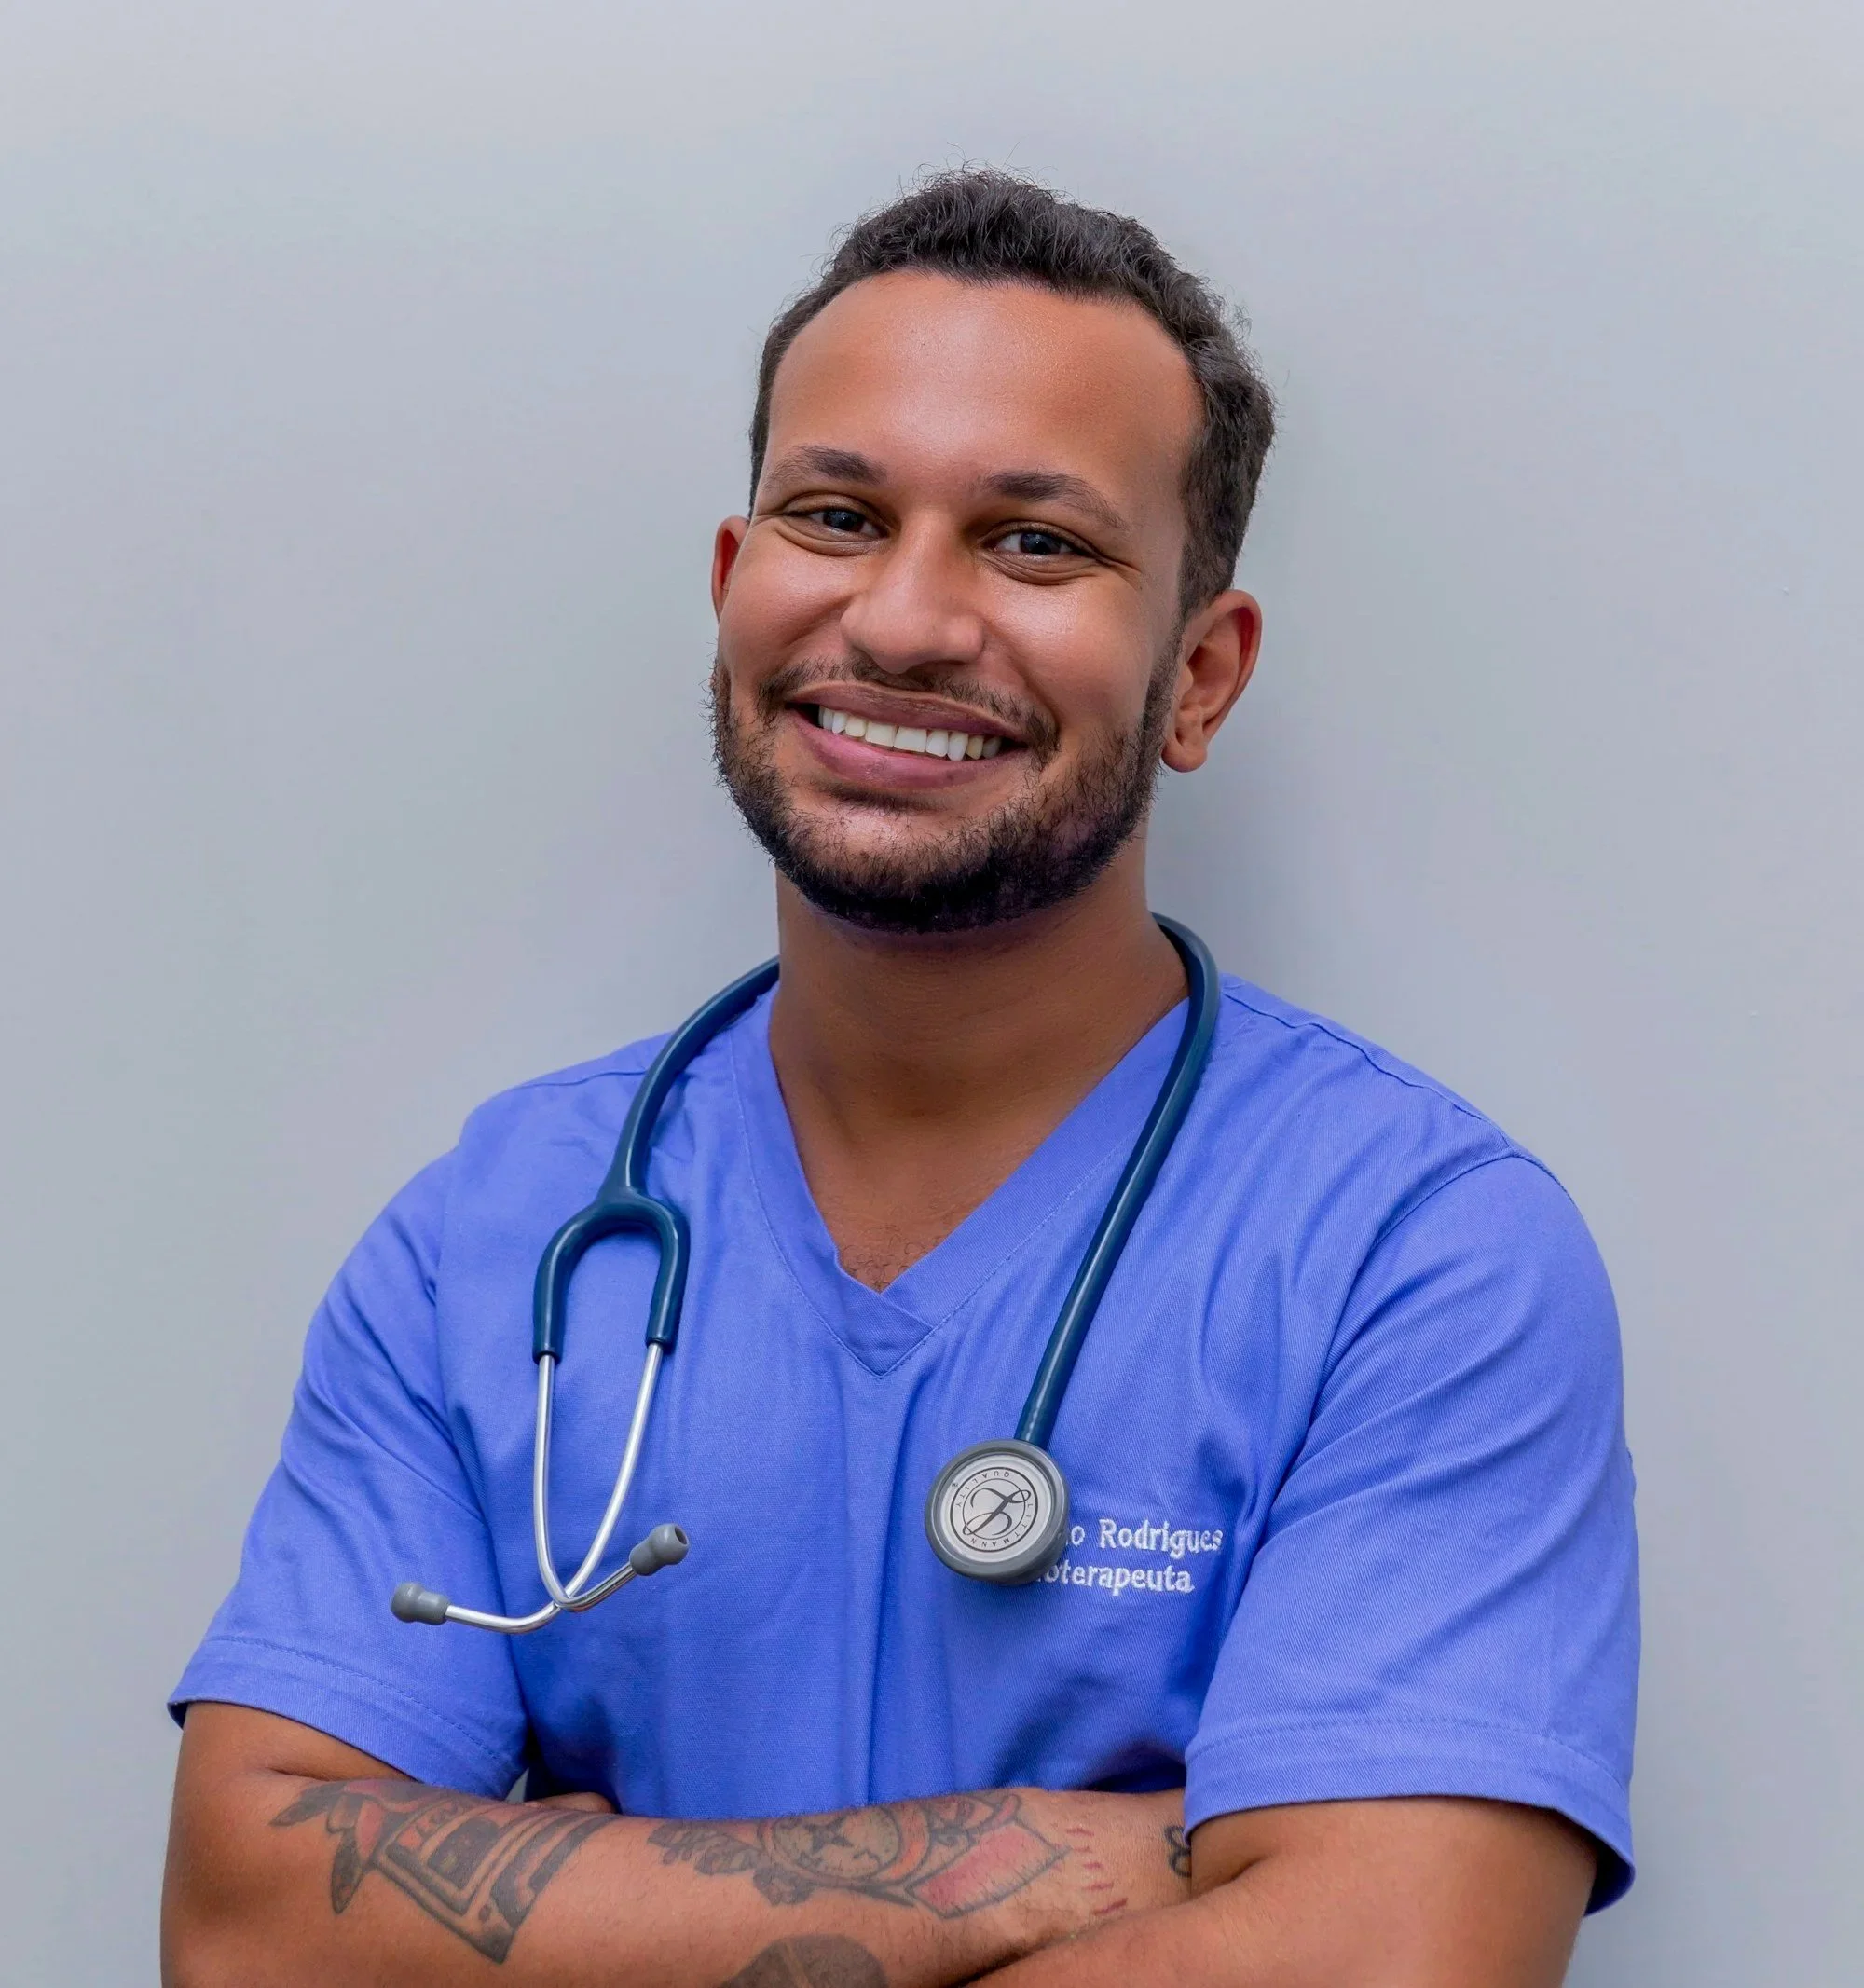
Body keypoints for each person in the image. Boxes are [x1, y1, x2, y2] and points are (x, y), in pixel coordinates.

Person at [162, 170, 1638, 1988]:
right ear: (733, 589)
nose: (907, 617)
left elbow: (1393, 1963)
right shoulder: (492, 1235)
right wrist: (1092, 1865)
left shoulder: (1416, 1258)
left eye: (1035, 543)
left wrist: (563, 1909)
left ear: (1198, 675)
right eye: (836, 513)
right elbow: (245, 1926)